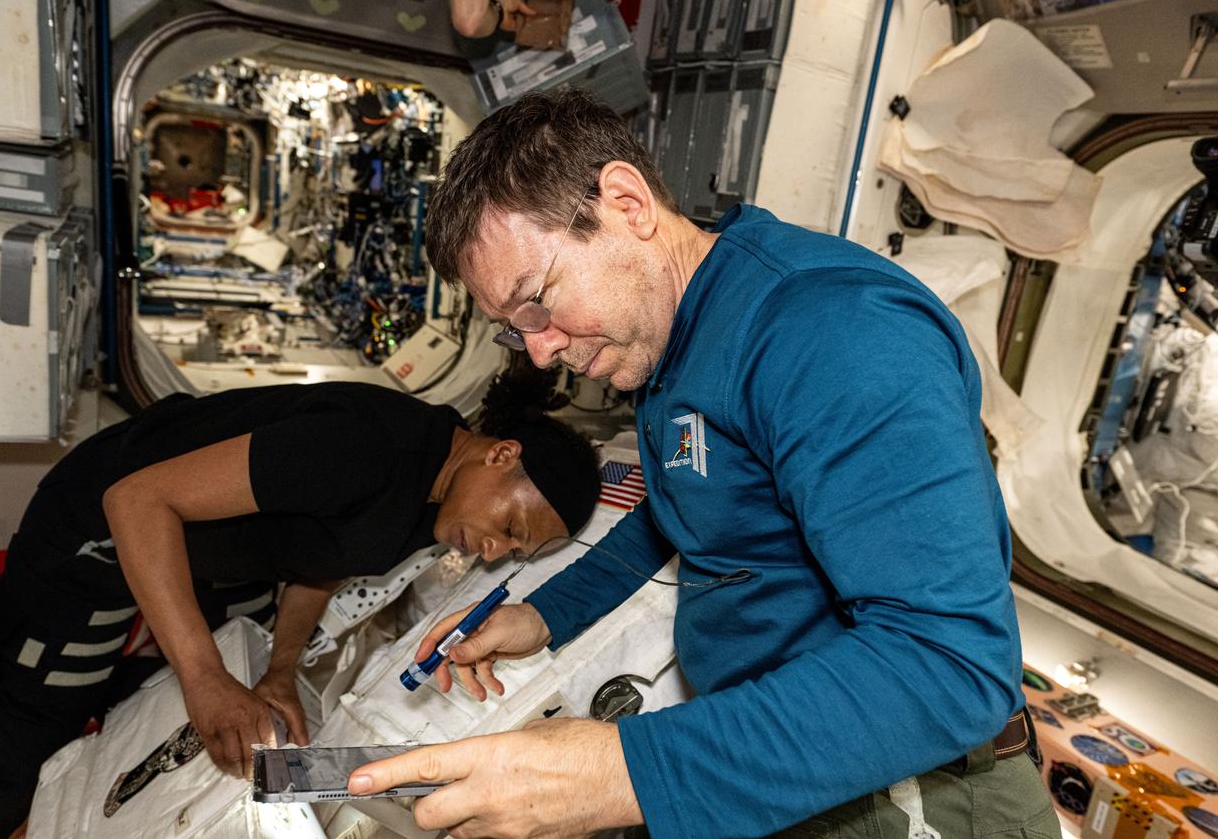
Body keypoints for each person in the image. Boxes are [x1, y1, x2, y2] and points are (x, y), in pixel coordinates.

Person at [346, 89, 1063, 839]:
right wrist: (543, 616)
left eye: (538, 303)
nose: (539, 349)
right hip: (791, 758)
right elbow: (684, 508)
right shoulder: (667, 336)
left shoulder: (833, 332)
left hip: (918, 786)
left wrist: (628, 773)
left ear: (626, 203)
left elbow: (949, 666)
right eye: (511, 329)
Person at [0, 369, 600, 839]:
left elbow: (318, 565)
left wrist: (281, 668)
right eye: (509, 527)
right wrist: (203, 676)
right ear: (501, 455)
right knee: (24, 738)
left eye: (512, 552)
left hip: (210, 554)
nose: (491, 550)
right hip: (99, 532)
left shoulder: (429, 505)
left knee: (179, 702)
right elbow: (135, 500)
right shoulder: (367, 447)